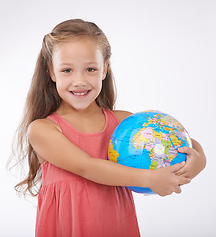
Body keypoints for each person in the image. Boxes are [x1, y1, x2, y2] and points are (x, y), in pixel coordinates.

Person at [12, 19, 206, 237]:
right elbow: (88, 167)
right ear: (51, 72)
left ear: (104, 69)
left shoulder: (123, 123)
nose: (79, 80)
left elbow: (183, 140)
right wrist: (149, 179)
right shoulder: (43, 130)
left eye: (90, 69)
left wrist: (199, 161)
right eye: (67, 70)